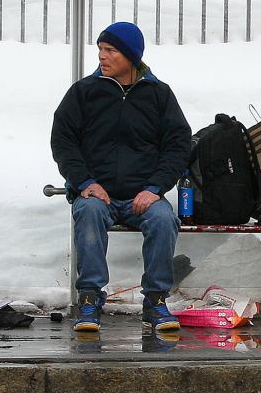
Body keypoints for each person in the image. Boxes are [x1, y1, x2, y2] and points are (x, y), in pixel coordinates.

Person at [51, 21, 191, 334]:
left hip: (144, 194)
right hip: (96, 193)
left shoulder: (159, 95)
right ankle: (89, 298)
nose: (102, 56)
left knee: (163, 220)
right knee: (88, 212)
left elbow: (178, 145)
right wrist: (85, 183)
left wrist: (155, 188)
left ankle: (155, 301)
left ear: (130, 55)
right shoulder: (83, 93)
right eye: (100, 49)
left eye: (110, 50)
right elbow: (63, 142)